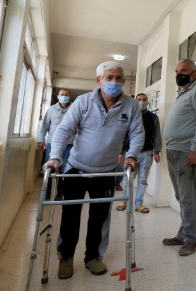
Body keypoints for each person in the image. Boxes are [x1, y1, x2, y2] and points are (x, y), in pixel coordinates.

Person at [43, 61, 144, 279]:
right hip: (76, 168)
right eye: (109, 77)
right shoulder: (83, 102)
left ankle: (93, 257)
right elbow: (64, 130)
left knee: (99, 218)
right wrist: (55, 157)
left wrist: (132, 155)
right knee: (71, 216)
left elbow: (137, 133)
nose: (114, 82)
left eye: (119, 78)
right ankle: (66, 257)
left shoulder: (131, 106)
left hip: (106, 172)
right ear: (98, 80)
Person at [162, 58, 196, 257]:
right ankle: (183, 233)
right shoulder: (183, 93)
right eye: (176, 71)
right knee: (181, 196)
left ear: (194, 73)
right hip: (174, 150)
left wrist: (195, 148)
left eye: (183, 70)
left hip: (188, 151)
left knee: (188, 197)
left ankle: (191, 238)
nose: (178, 74)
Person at [116, 93, 162, 213]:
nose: (142, 102)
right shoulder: (130, 116)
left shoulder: (153, 118)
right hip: (131, 153)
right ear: (135, 101)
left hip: (147, 153)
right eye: (139, 100)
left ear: (148, 101)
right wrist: (121, 151)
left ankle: (138, 204)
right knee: (127, 179)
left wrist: (157, 151)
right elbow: (123, 134)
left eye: (144, 100)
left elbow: (157, 135)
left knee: (142, 180)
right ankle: (123, 201)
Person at [37, 88, 74, 174]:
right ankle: (49, 186)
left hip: (69, 144)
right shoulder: (51, 109)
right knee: (49, 167)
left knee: (65, 168)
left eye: (66, 95)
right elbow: (44, 126)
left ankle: (61, 187)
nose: (64, 96)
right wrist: (40, 140)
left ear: (70, 96)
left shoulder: (74, 109)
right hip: (52, 143)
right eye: (62, 94)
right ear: (58, 96)